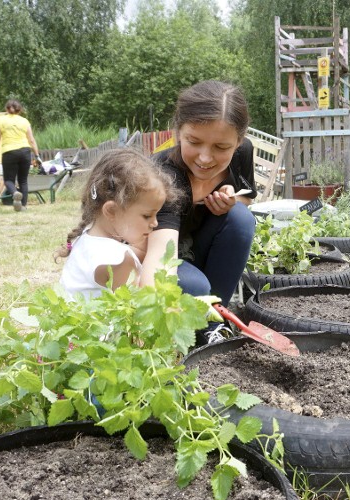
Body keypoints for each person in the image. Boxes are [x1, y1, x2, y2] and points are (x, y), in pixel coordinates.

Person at [143, 80, 258, 343]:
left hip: (196, 247)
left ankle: (212, 322)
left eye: (221, 148)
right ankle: (190, 327)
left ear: (239, 141)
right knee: (195, 287)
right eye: (194, 142)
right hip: (151, 255)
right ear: (178, 133)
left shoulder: (242, 154)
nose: (206, 158)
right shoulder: (164, 176)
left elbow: (246, 201)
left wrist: (230, 203)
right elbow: (161, 259)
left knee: (240, 218)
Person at [58, 148, 178, 299]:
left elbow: (138, 254)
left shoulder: (87, 237)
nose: (155, 223)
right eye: (147, 216)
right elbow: (136, 309)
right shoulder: (119, 261)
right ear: (111, 211)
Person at [0, 99, 42, 212]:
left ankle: (15, 193)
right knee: (23, 180)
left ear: (6, 109)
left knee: (8, 180)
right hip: (25, 152)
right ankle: (23, 206)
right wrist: (37, 155)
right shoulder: (24, 121)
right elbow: (31, 140)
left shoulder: (1, 121)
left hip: (9, 152)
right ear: (19, 110)